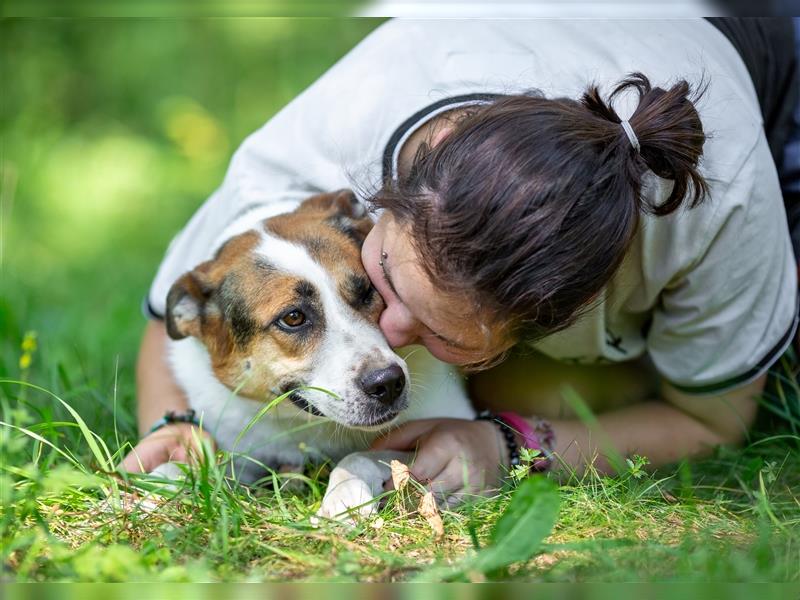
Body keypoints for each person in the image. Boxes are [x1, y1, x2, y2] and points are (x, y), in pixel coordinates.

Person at [122, 19, 799, 501]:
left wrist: (510, 449)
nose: (384, 342)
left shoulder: (720, 210)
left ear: (554, 327)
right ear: (380, 200)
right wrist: (176, 429)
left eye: (438, 331)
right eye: (380, 279)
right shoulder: (321, 142)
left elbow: (713, 420)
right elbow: (171, 320)